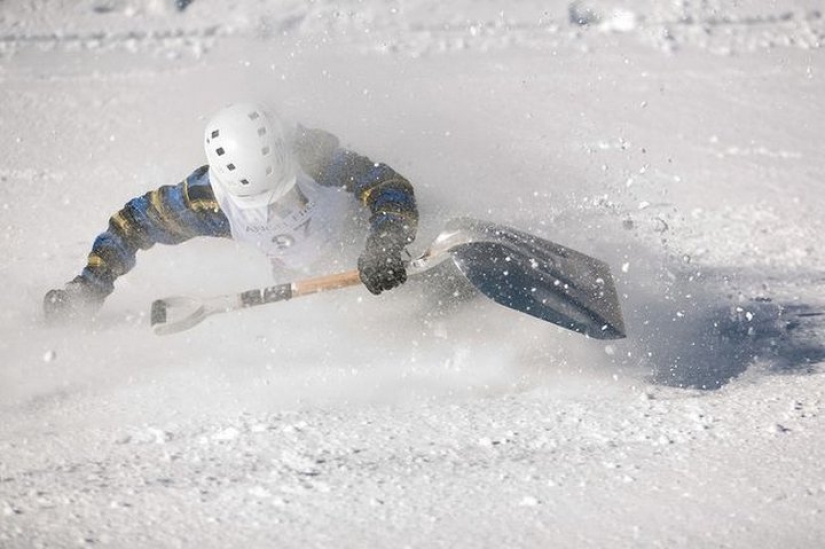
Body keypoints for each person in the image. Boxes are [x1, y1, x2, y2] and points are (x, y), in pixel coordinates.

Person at [43, 102, 418, 320]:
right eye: (262, 202)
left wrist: (386, 242)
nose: (275, 207)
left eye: (280, 193)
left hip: (392, 254)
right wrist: (89, 289)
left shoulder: (315, 157)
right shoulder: (205, 201)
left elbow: (387, 186)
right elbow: (133, 224)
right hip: (320, 289)